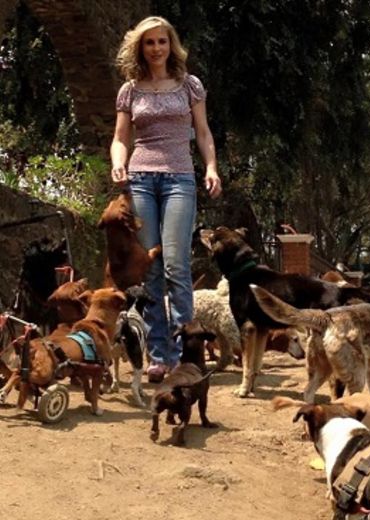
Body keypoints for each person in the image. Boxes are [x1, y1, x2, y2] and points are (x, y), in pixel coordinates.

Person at [110, 16, 222, 383]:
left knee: (176, 264)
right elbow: (121, 138)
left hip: (180, 179)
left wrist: (211, 168)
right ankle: (160, 355)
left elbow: (203, 133)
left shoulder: (189, 86)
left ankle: (188, 353)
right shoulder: (130, 90)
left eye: (162, 41)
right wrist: (118, 163)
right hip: (141, 178)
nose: (156, 48)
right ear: (140, 48)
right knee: (152, 267)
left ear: (171, 45)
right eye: (149, 43)